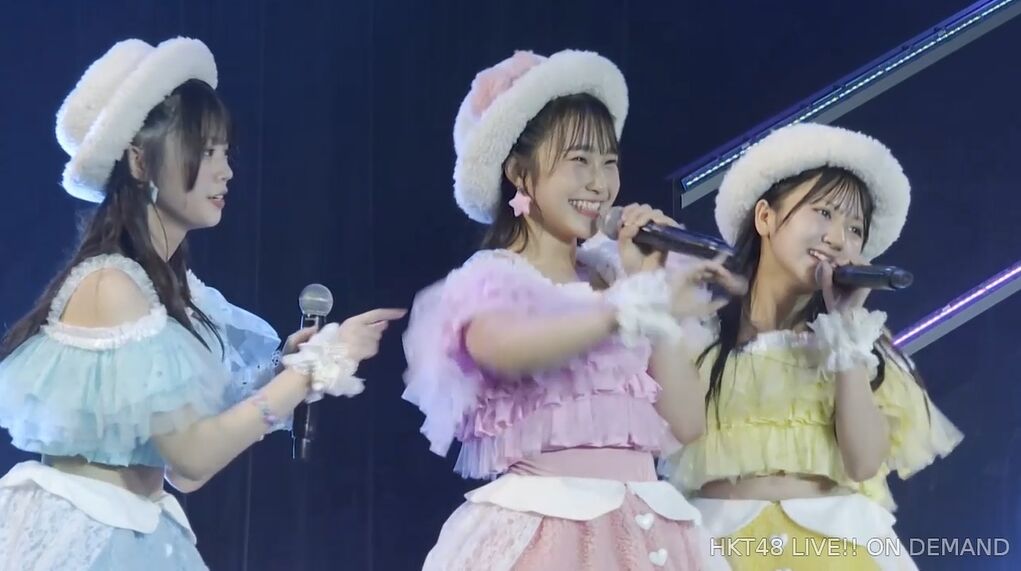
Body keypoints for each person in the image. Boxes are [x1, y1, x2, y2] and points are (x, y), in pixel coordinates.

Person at [0, 37, 404, 569]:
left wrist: (288, 370)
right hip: (91, 539)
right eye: (206, 151)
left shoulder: (172, 291)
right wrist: (313, 369)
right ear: (140, 162)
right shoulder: (111, 287)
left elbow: (186, 467)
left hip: (142, 531)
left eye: (224, 152)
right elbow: (192, 457)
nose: (225, 170)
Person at [402, 49, 740, 570]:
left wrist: (644, 284)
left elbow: (688, 420)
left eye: (609, 162)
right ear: (520, 173)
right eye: (579, 161)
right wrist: (624, 308)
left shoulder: (618, 277)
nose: (599, 183)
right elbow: (508, 351)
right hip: (546, 535)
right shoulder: (492, 277)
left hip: (650, 530)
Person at [660, 123, 964, 570]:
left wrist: (844, 329)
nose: (838, 238)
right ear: (765, 218)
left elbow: (864, 463)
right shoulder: (699, 333)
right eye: (823, 213)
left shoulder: (858, 345)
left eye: (855, 228)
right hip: (718, 551)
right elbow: (672, 430)